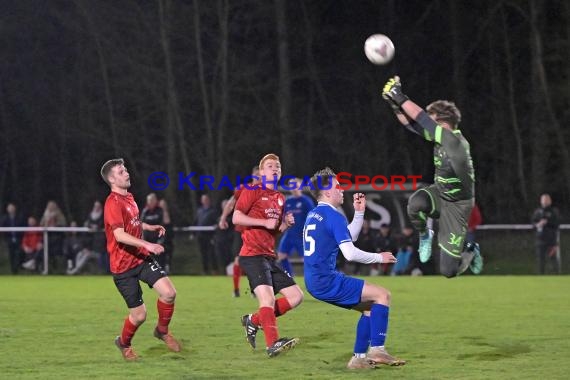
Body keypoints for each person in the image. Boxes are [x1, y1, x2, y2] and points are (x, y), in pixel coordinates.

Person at [303, 167, 405, 369]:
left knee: (370, 308)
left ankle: (358, 359)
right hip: (326, 280)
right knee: (383, 296)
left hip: (315, 280)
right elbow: (349, 253)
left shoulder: (315, 214)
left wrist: (359, 213)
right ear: (327, 192)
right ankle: (378, 350)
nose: (342, 189)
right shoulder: (333, 216)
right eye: (337, 186)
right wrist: (379, 257)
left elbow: (349, 237)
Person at [382, 76, 483, 278]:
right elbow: (410, 123)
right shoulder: (439, 136)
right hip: (440, 194)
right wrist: (393, 104)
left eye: (432, 117)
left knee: (448, 271)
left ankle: (470, 249)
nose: (428, 121)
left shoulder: (454, 141)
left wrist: (399, 95)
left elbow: (420, 118)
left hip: (458, 206)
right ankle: (424, 234)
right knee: (415, 203)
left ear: (442, 121)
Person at [100, 158, 181, 361]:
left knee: (169, 293)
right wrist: (148, 244)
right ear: (111, 179)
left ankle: (161, 331)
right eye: (121, 171)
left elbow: (133, 222)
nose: (126, 173)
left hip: (140, 259)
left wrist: (148, 227)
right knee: (139, 315)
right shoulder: (112, 203)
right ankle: (124, 344)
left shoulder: (129, 197)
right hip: (122, 268)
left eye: (125, 169)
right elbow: (119, 234)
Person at [233, 153, 303, 357]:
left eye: (278, 166)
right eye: (270, 166)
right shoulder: (252, 190)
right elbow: (236, 217)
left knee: (296, 296)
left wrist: (285, 225)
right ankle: (272, 343)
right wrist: (264, 223)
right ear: (262, 172)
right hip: (252, 254)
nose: (275, 169)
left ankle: (253, 321)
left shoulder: (280, 198)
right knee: (268, 299)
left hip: (269, 256)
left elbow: (273, 230)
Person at [218, 166, 260, 297]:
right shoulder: (243, 188)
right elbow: (230, 204)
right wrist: (223, 218)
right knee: (238, 260)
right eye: (257, 175)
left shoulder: (267, 192)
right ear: (252, 175)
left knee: (256, 261)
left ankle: (254, 289)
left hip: (257, 232)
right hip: (241, 231)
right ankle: (236, 290)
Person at [277, 178, 315, 276]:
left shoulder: (306, 201)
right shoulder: (288, 201)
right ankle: (290, 277)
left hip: (302, 235)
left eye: (296, 185)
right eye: (292, 186)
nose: (294, 188)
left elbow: (313, 217)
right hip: (289, 234)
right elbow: (283, 216)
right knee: (281, 256)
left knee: (307, 259)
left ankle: (314, 279)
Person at [531, 193, 560, 274]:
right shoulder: (537, 211)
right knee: (541, 260)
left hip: (551, 240)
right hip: (540, 240)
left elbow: (557, 224)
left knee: (553, 260)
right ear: (541, 201)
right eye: (543, 199)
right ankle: (541, 277)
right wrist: (538, 224)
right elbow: (533, 224)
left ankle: (556, 276)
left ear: (550, 201)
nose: (545, 201)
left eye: (547, 199)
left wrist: (547, 222)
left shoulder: (554, 211)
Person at [195, 194, 218, 274]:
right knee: (203, 254)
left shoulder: (213, 211)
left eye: (206, 199)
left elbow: (216, 222)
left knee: (212, 253)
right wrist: (193, 233)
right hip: (201, 236)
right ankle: (205, 270)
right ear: (201, 201)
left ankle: (215, 270)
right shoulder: (199, 211)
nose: (205, 201)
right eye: (203, 199)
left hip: (210, 236)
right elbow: (196, 222)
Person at [141, 193, 165, 268]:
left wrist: (161, 238)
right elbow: (141, 224)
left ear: (155, 201)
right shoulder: (145, 211)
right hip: (147, 238)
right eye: (149, 200)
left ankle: (162, 270)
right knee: (148, 256)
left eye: (151, 200)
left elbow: (161, 223)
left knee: (159, 255)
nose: (150, 202)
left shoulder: (160, 210)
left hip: (157, 237)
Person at [1, 203, 25, 274]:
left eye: (12, 208)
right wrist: (5, 238)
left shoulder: (19, 217)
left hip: (18, 238)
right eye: (10, 208)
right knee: (11, 254)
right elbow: (2, 228)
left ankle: (17, 266)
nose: (11, 209)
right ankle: (13, 270)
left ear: (15, 209)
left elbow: (22, 227)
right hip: (9, 239)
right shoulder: (4, 218)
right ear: (7, 209)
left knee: (19, 253)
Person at [159, 199, 175, 274]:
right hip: (159, 240)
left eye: (164, 205)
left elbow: (170, 225)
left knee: (168, 256)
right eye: (161, 205)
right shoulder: (157, 214)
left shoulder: (170, 214)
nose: (163, 206)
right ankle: (161, 271)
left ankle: (168, 270)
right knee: (160, 257)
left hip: (168, 240)